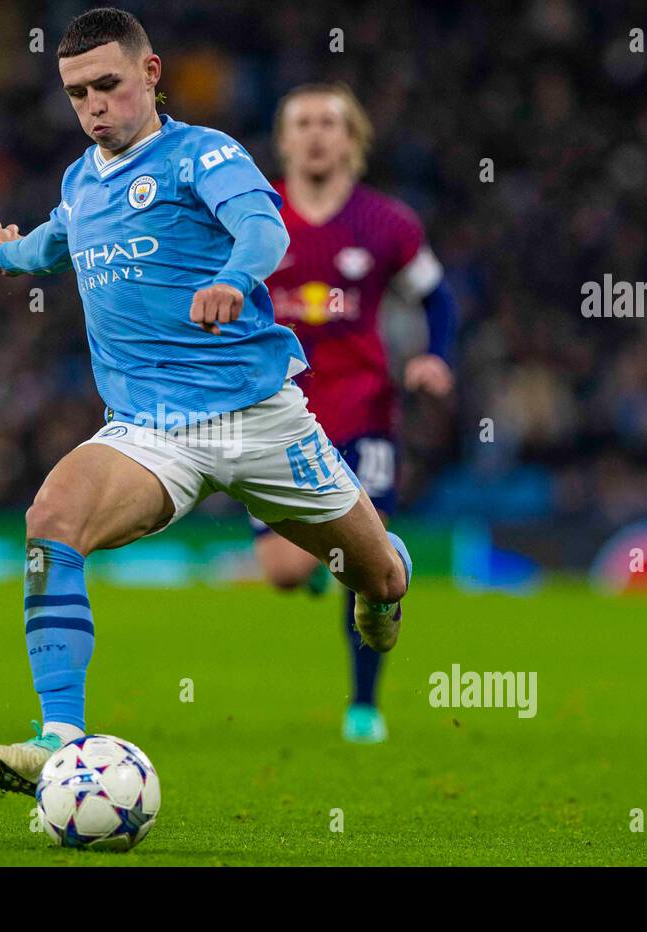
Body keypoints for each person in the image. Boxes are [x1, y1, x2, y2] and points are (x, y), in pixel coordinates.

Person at [0, 8, 412, 797]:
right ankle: (59, 738)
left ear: (150, 73)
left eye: (108, 84)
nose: (95, 105)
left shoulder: (202, 155)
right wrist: (11, 255)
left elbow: (263, 228)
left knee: (376, 576)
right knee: (51, 519)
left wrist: (234, 281)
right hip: (150, 431)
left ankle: (385, 588)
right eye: (77, 93)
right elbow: (58, 239)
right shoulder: (80, 179)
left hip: (261, 418)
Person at [254, 83, 458, 743]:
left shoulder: (388, 223)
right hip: (273, 411)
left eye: (329, 123)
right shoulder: (256, 215)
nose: (315, 134)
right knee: (285, 575)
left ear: (352, 140)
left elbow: (439, 299)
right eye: (302, 122)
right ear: (284, 140)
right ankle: (319, 558)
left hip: (361, 407)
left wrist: (436, 358)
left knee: (364, 565)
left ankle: (363, 707)